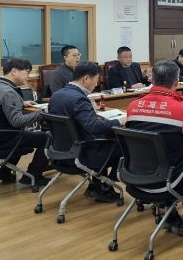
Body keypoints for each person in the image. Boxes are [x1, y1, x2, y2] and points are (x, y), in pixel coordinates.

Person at [126, 60, 183, 235]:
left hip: (135, 174)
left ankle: (169, 213)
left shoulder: (133, 106)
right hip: (168, 178)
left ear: (152, 80)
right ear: (176, 82)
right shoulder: (181, 109)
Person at [48, 62, 125, 202]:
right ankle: (105, 186)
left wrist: (90, 111)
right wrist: (120, 121)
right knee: (122, 145)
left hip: (60, 151)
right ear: (86, 78)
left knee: (107, 137)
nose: (97, 83)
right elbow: (93, 127)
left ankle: (96, 186)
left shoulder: (57, 95)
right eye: (96, 79)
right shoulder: (79, 99)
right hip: (81, 154)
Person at [0, 58, 50, 186]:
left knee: (23, 135)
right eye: (27, 72)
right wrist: (42, 113)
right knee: (47, 137)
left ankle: (5, 172)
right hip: (2, 139)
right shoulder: (8, 92)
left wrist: (21, 103)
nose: (28, 76)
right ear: (14, 71)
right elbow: (17, 122)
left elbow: (0, 107)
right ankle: (33, 175)